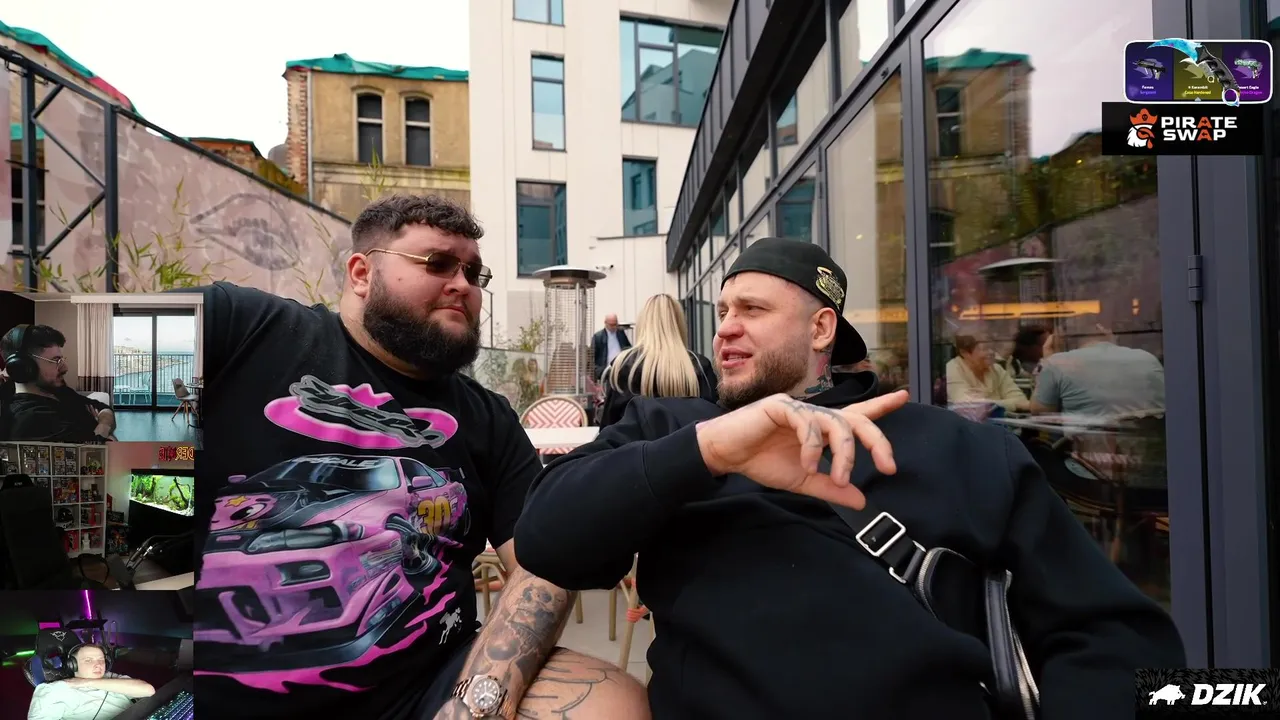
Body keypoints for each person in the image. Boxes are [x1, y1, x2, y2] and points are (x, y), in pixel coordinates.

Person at [515, 237, 1185, 719]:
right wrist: (708, 451)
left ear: (821, 328)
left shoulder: (954, 445)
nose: (725, 330)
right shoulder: (674, 430)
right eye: (721, 313)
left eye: (751, 310)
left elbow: (1114, 636)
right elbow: (548, 540)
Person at [193, 194, 647, 720]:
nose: (463, 285)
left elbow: (540, 565)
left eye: (473, 272)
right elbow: (120, 373)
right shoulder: (245, 328)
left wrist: (482, 697)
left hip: (426, 689)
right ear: (362, 273)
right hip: (213, 689)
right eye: (438, 263)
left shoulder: (486, 417)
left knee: (613, 705)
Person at [598, 294, 716, 427]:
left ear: (643, 323)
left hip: (634, 440)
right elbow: (714, 422)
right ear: (679, 323)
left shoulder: (623, 366)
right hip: (687, 440)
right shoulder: (699, 366)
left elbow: (608, 425)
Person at [0, 325, 116, 443]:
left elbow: (103, 408)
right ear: (23, 366)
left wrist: (103, 426)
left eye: (62, 360)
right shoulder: (32, 418)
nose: (65, 368)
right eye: (56, 360)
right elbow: (97, 449)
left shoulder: (58, 390)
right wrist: (102, 428)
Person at [27, 644, 155, 720]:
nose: (98, 664)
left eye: (101, 660)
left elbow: (148, 690)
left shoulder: (111, 677)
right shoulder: (55, 690)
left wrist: (87, 682)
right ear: (72, 665)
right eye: (88, 660)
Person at [945, 334, 1029, 413]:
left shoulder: (997, 369)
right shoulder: (952, 369)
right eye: (985, 349)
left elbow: (1022, 400)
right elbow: (971, 405)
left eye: (993, 348)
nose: (991, 352)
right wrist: (1013, 404)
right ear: (965, 353)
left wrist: (994, 405)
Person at [592, 313, 631, 381]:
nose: (614, 327)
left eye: (615, 324)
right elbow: (592, 356)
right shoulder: (598, 337)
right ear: (605, 323)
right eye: (611, 325)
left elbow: (628, 349)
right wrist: (598, 370)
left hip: (620, 370)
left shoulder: (621, 334)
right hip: (605, 371)